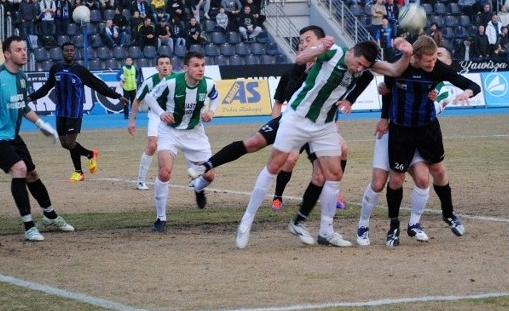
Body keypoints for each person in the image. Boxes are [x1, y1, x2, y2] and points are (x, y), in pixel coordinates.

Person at [235, 36, 414, 249]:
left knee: (334, 173)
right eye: (358, 64)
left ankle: (326, 231)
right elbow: (301, 58)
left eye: (364, 67)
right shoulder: (334, 52)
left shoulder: (364, 64)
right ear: (352, 52)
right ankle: (246, 221)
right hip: (297, 117)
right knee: (275, 165)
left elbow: (394, 70)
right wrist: (319, 47)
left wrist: (408, 54)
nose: (359, 70)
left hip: (324, 125)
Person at [187, 26, 362, 210]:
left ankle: (327, 200)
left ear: (322, 41)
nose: (303, 44)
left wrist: (348, 102)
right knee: (265, 148)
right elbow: (285, 101)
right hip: (294, 121)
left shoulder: (338, 64)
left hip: (319, 127)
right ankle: (275, 196)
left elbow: (357, 80)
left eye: (307, 40)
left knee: (339, 151)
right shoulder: (293, 72)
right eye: (301, 42)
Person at [360, 40, 480, 247]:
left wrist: (466, 93)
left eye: (435, 59)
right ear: (415, 57)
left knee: (438, 173)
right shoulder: (398, 68)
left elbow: (472, 85)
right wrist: (384, 118)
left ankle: (448, 214)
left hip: (427, 129)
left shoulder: (438, 68)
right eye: (429, 60)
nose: (433, 63)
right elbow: (386, 92)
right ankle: (394, 226)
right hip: (401, 130)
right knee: (396, 180)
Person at [0, 36, 73, 242]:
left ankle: (50, 215)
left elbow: (21, 105)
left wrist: (40, 125)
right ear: (7, 54)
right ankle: (29, 227)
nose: (23, 53)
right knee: (19, 169)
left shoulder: (21, 77)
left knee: (32, 173)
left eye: (24, 49)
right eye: (18, 49)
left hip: (11, 134)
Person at [28, 43, 128, 182]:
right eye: (66, 50)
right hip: (61, 111)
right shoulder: (55, 69)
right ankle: (90, 154)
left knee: (70, 142)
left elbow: (98, 85)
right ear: (62, 52)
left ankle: (79, 172)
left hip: (74, 112)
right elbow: (46, 88)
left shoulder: (80, 70)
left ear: (75, 53)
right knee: (64, 144)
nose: (69, 53)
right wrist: (30, 97)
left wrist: (117, 96)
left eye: (72, 51)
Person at [146, 52, 219, 232]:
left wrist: (212, 111)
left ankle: (198, 188)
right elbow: (149, 98)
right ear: (186, 68)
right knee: (164, 173)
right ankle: (160, 218)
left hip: (195, 132)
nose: (200, 69)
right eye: (196, 65)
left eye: (202, 65)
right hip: (169, 132)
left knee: (209, 175)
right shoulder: (171, 82)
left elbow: (215, 96)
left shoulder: (208, 83)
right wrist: (162, 113)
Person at [127, 55, 173, 190]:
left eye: (167, 63)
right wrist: (132, 121)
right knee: (153, 146)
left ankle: (194, 178)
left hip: (171, 116)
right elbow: (137, 100)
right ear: (156, 67)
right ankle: (140, 181)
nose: (164, 66)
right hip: (155, 116)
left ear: (171, 66)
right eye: (161, 63)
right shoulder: (150, 82)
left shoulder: (177, 79)